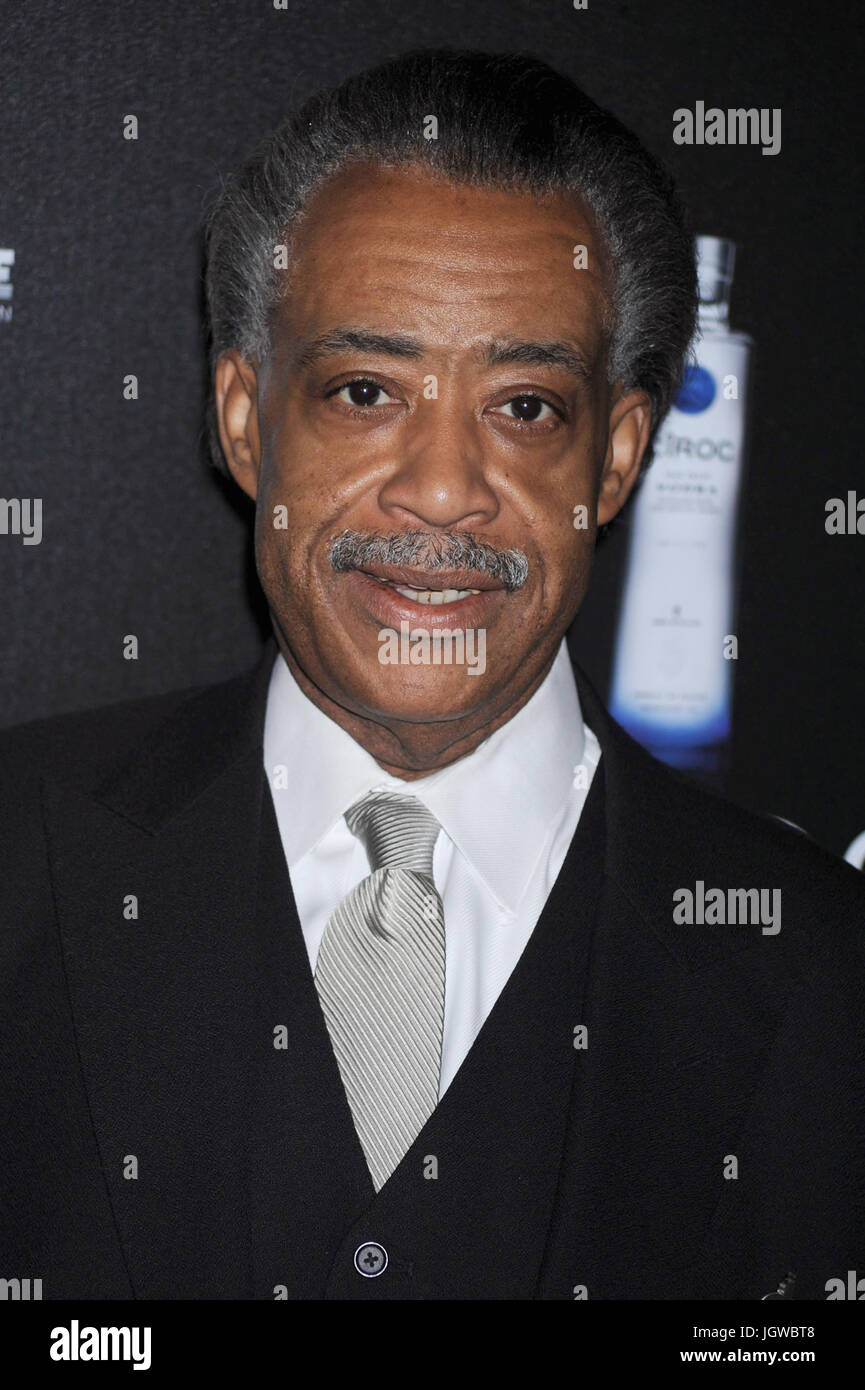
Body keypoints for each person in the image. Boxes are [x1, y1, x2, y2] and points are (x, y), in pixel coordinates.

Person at [2, 48, 863, 1301]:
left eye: (524, 407)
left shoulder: (824, 974)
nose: (446, 490)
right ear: (245, 420)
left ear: (618, 460)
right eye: (365, 390)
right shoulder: (16, 858)